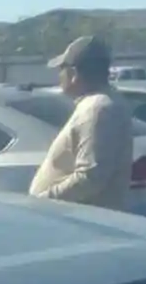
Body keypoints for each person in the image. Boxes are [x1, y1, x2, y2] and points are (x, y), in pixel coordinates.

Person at [28, 35, 135, 210]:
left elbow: (90, 177)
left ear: (73, 74)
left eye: (61, 68)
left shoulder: (98, 109)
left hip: (77, 221)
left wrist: (42, 202)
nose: (59, 75)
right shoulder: (100, 104)